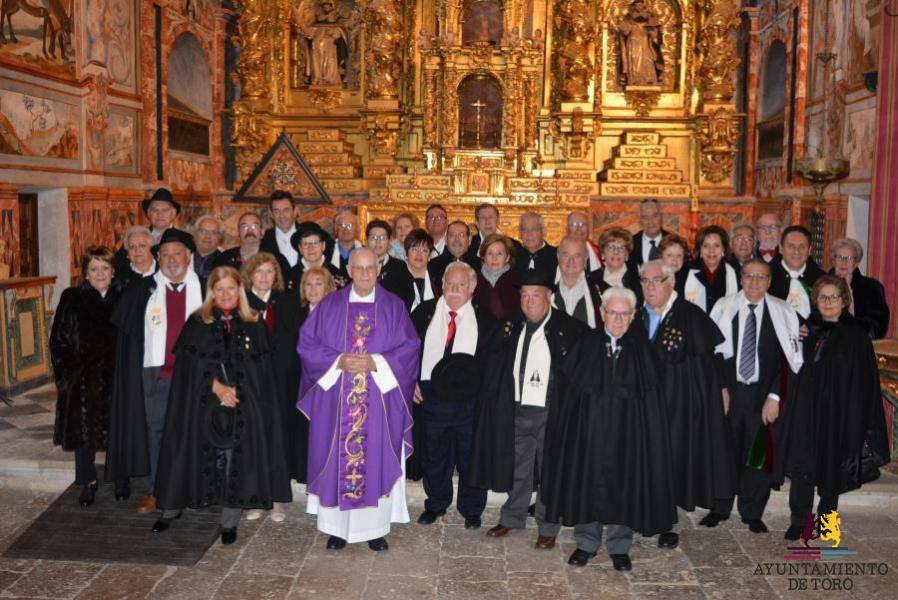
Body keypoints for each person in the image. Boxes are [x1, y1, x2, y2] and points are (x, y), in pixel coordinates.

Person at [151, 266, 291, 545]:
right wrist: (215, 387)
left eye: (231, 288)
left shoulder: (254, 323)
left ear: (239, 289)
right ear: (211, 292)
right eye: (220, 289)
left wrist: (238, 389)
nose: (226, 294)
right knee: (186, 451)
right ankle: (170, 509)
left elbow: (262, 373)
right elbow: (188, 370)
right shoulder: (197, 322)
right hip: (201, 403)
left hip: (241, 403)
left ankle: (229, 521)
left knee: (233, 460)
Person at [542, 287, 675, 571]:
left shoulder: (643, 352)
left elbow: (651, 404)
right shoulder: (585, 345)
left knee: (625, 486)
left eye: (624, 314)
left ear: (632, 317)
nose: (617, 319)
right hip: (588, 436)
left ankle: (619, 546)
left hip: (628, 438)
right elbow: (568, 397)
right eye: (612, 313)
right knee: (585, 484)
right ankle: (586, 543)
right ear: (602, 314)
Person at [298, 248, 422, 551]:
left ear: (378, 269)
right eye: (359, 268)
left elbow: (410, 348)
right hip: (337, 402)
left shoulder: (393, 307)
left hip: (378, 403)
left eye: (370, 268)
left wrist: (377, 362)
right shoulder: (330, 305)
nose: (365, 274)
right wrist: (338, 360)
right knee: (335, 456)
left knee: (375, 458)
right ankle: (336, 529)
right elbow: (307, 345)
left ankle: (375, 529)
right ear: (349, 270)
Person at [469, 270, 587, 550]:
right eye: (524, 295)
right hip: (517, 409)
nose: (529, 301)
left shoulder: (568, 329)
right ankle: (513, 516)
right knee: (517, 468)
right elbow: (492, 362)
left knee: (550, 470)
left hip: (551, 412)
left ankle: (548, 525)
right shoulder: (509, 325)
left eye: (536, 295)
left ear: (549, 297)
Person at [777, 275, 891, 541]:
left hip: (839, 414)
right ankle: (800, 522)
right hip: (806, 413)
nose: (827, 302)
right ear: (815, 300)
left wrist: (858, 418)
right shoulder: (804, 330)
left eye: (834, 297)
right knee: (802, 468)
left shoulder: (856, 336)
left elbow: (865, 381)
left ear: (844, 302)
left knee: (832, 471)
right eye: (823, 297)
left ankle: (828, 526)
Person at [105, 229, 205, 514]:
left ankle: (193, 488)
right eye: (165, 255)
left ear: (188, 257)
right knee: (156, 433)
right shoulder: (141, 290)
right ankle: (156, 490)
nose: (171, 260)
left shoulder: (208, 288)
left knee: (193, 432)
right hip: (156, 375)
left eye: (177, 254)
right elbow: (128, 340)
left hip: (196, 378)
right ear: (157, 258)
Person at [636, 260, 734, 549]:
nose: (650, 287)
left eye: (657, 280)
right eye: (644, 281)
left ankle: (667, 522)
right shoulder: (637, 315)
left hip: (680, 404)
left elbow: (706, 367)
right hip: (646, 404)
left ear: (672, 283)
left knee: (675, 459)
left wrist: (717, 394)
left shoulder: (690, 316)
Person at [704, 259, 803, 533]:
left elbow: (789, 361)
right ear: (741, 278)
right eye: (749, 276)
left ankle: (752, 512)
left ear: (769, 281)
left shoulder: (783, 312)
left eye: (761, 277)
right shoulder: (724, 308)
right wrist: (721, 389)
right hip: (729, 392)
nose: (755, 282)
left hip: (763, 394)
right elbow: (711, 355)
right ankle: (719, 508)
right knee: (724, 452)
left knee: (757, 454)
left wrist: (775, 396)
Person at [411, 262, 493, 529]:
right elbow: (408, 351)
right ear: (442, 285)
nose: (454, 290)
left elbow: (493, 365)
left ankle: (471, 509)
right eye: (449, 284)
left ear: (472, 287)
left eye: (460, 285)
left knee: (471, 458)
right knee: (434, 455)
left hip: (470, 401)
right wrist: (410, 381)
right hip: (430, 397)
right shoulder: (424, 313)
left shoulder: (486, 318)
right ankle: (436, 503)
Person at [50, 246, 121, 507]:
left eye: (105, 267)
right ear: (85, 273)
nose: (99, 273)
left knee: (119, 431)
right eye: (94, 268)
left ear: (113, 271)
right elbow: (58, 341)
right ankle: (88, 481)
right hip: (83, 379)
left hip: (118, 378)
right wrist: (69, 376)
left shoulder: (124, 296)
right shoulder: (72, 298)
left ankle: (119, 478)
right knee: (84, 434)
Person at [241, 253, 305, 523]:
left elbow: (295, 341)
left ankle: (277, 499)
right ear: (250, 275)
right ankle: (257, 498)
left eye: (269, 272)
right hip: (251, 382)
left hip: (282, 381)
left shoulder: (286, 303)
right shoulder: (241, 303)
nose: (264, 277)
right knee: (254, 439)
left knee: (279, 438)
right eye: (259, 272)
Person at [828, 238, 890, 339]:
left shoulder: (872, 288)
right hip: (826, 345)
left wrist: (851, 323)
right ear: (833, 260)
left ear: (856, 263)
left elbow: (878, 328)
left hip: (859, 347)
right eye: (839, 257)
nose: (844, 262)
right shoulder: (820, 285)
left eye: (849, 258)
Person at [114, 188, 188, 273]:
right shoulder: (135, 238)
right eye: (154, 210)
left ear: (173, 213)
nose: (160, 214)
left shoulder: (186, 240)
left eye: (165, 210)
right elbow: (117, 265)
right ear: (148, 214)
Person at [769, 225, 825, 321]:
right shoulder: (765, 276)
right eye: (791, 246)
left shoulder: (822, 279)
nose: (796, 251)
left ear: (809, 250)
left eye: (802, 246)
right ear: (781, 248)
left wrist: (810, 327)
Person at [682, 225, 738, 314]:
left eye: (716, 245)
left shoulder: (736, 273)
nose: (711, 250)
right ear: (700, 249)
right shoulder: (684, 272)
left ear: (723, 248)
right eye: (706, 246)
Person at [284, 222, 345, 295]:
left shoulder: (337, 276)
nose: (311, 248)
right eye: (306, 244)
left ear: (323, 246)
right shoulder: (288, 277)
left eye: (315, 243)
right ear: (300, 248)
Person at [553, 237, 601, 328]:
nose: (571, 261)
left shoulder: (600, 291)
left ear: (586, 258)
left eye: (577, 256)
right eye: (566, 255)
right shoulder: (546, 289)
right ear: (558, 256)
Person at [473, 233, 523, 321]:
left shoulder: (518, 282)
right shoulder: (473, 281)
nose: (494, 258)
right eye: (490, 253)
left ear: (507, 257)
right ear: (484, 257)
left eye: (499, 254)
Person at [587, 227, 643, 305]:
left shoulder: (638, 280)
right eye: (610, 247)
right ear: (603, 254)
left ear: (627, 255)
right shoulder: (591, 279)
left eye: (621, 248)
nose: (616, 252)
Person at [428, 220, 481, 293]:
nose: (457, 239)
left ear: (469, 240)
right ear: (446, 240)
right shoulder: (432, 266)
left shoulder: (481, 265)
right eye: (452, 235)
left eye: (461, 235)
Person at [395, 229, 437, 313]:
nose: (419, 254)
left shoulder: (437, 279)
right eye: (414, 249)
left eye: (424, 250)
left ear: (429, 256)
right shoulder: (395, 279)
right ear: (405, 253)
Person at [260, 190, 299, 274]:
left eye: (286, 210)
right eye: (276, 211)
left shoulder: (306, 234)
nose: (282, 216)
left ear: (295, 211)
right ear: (271, 214)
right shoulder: (264, 239)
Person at [515, 212, 557, 280]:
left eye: (534, 229)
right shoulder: (513, 257)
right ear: (520, 234)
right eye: (525, 229)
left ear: (543, 231)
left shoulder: (557, 256)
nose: (529, 234)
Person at [629, 199, 669, 270]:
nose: (650, 222)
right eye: (645, 218)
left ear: (661, 217)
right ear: (640, 220)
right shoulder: (630, 243)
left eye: (655, 216)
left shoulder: (675, 242)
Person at [329, 208, 362, 273]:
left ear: (357, 229)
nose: (346, 229)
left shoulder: (365, 252)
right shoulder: (327, 251)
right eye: (342, 225)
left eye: (350, 225)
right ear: (336, 228)